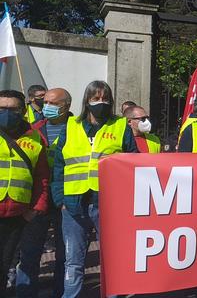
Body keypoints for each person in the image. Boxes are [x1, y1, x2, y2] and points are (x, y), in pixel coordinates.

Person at [54, 81, 138, 297]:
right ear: (87, 101)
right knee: (73, 261)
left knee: (112, 260)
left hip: (109, 204)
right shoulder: (70, 126)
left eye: (105, 98)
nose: (100, 102)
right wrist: (60, 200)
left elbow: (134, 163)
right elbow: (58, 165)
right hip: (73, 204)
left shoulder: (120, 126)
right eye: (95, 98)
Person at [16, 88, 72, 298]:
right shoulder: (34, 129)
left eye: (51, 103)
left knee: (64, 257)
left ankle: (60, 293)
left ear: (66, 106)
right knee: (29, 255)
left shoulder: (78, 130)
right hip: (38, 201)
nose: (45, 106)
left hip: (65, 201)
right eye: (44, 101)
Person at [0, 90, 49, 298]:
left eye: (13, 109)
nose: (7, 113)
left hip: (15, 215)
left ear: (23, 111)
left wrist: (35, 209)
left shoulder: (36, 138)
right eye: (2, 109)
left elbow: (42, 178)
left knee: (4, 265)